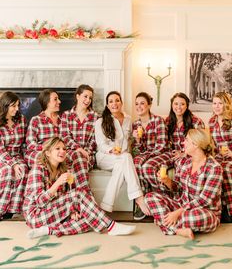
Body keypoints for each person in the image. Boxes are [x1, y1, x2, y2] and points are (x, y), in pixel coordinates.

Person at [23, 137, 136, 238]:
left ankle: (49, 230)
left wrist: (71, 211)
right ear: (47, 153)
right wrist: (57, 183)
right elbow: (39, 202)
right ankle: (111, 226)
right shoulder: (38, 170)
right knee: (80, 196)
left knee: (90, 219)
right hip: (36, 216)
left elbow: (63, 198)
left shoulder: (62, 170)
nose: (62, 151)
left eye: (64, 148)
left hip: (53, 213)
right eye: (57, 148)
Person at [145, 129, 223, 239]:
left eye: (186, 140)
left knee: (198, 217)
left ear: (195, 144)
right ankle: (177, 230)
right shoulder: (183, 162)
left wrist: (177, 213)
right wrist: (167, 181)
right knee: (149, 197)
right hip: (181, 205)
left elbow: (205, 199)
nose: (183, 143)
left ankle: (163, 222)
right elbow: (178, 189)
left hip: (205, 211)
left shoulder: (214, 168)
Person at [95, 91, 150, 216]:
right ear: (108, 106)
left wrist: (135, 137)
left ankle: (106, 206)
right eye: (111, 101)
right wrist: (111, 150)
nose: (114, 103)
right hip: (105, 157)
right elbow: (100, 144)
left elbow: (130, 139)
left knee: (122, 163)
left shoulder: (128, 119)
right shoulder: (100, 122)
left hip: (122, 158)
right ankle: (139, 198)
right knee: (126, 157)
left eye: (117, 100)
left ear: (121, 103)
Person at [132, 92, 168, 220]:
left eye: (142, 103)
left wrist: (146, 155)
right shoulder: (136, 125)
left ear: (149, 105)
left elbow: (162, 146)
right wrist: (137, 140)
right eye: (136, 104)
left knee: (146, 166)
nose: (139, 106)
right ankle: (143, 200)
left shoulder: (158, 121)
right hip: (146, 155)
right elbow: (139, 150)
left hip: (163, 154)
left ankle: (163, 197)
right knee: (136, 162)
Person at [0, 91, 28, 220]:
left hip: (17, 155)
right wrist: (13, 164)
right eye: (13, 106)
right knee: (7, 171)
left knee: (23, 170)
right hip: (2, 156)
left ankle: (11, 211)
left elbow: (24, 143)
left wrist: (22, 161)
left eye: (18, 105)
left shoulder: (21, 120)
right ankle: (1, 209)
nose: (17, 109)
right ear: (5, 106)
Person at [209, 92, 232, 223]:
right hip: (219, 156)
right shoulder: (212, 121)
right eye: (214, 103)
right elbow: (212, 144)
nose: (217, 106)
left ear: (226, 105)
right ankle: (217, 209)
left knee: (225, 169)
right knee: (211, 169)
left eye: (220, 103)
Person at [60, 84, 98, 171]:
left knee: (79, 161)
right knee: (77, 158)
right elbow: (65, 137)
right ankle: (83, 185)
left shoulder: (95, 116)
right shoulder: (66, 115)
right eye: (85, 96)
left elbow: (94, 139)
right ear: (78, 96)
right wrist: (79, 149)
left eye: (90, 98)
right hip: (69, 152)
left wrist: (86, 152)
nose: (88, 100)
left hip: (88, 154)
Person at [25, 89, 61, 167]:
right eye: (55, 99)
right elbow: (30, 143)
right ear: (46, 102)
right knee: (47, 159)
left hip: (58, 152)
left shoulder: (62, 120)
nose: (59, 101)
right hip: (41, 152)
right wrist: (46, 148)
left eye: (58, 99)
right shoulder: (36, 120)